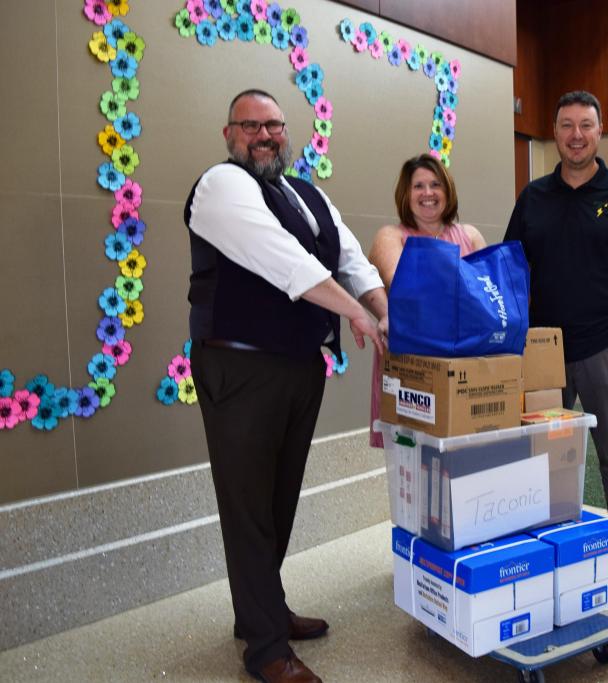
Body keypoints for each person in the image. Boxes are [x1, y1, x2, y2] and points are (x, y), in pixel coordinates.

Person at [186, 89, 388, 683]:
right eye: (251, 125)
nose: (265, 135)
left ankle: (262, 612)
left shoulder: (308, 193)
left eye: (274, 125)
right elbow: (285, 262)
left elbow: (350, 257)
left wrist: (380, 304)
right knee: (248, 506)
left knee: (278, 499)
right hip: (241, 367)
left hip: (300, 366)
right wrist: (356, 313)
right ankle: (266, 649)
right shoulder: (219, 186)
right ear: (229, 134)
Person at [503, 90, 608, 594]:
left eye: (586, 125)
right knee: (540, 458)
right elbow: (510, 269)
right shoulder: (533, 198)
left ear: (600, 132)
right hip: (543, 353)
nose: (576, 135)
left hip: (607, 348)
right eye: (567, 125)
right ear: (554, 133)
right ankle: (546, 545)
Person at [366, 153, 486, 446]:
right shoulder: (391, 237)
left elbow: (489, 298)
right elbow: (407, 290)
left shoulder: (469, 235)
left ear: (448, 191)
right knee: (415, 465)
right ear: (406, 194)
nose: (428, 193)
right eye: (418, 186)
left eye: (435, 184)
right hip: (413, 368)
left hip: (466, 365)